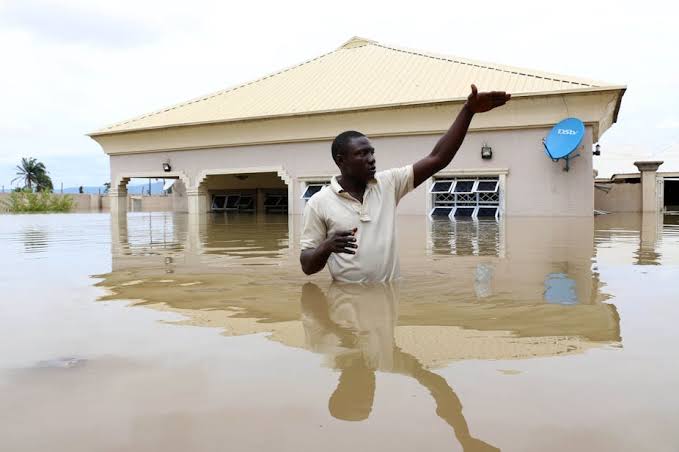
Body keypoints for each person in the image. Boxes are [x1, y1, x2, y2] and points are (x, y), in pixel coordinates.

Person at [300, 85, 511, 282]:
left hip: (386, 306)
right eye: (362, 154)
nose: (371, 158)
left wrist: (468, 111)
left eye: (372, 152)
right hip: (345, 307)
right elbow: (307, 266)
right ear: (341, 160)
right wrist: (326, 247)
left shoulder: (388, 184)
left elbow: (438, 159)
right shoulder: (319, 203)